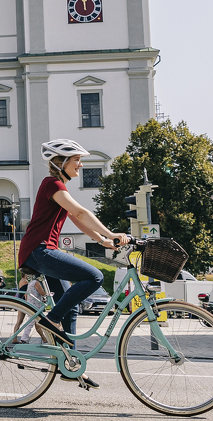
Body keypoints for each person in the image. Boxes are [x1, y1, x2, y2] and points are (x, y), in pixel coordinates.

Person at [19, 139, 131, 364]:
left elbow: (74, 217)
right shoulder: (52, 184)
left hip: (42, 250)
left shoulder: (59, 188)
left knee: (70, 309)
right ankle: (51, 321)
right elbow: (80, 213)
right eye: (77, 160)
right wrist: (111, 234)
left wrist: (101, 240)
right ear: (61, 163)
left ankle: (69, 362)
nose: (80, 165)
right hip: (40, 250)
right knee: (95, 276)